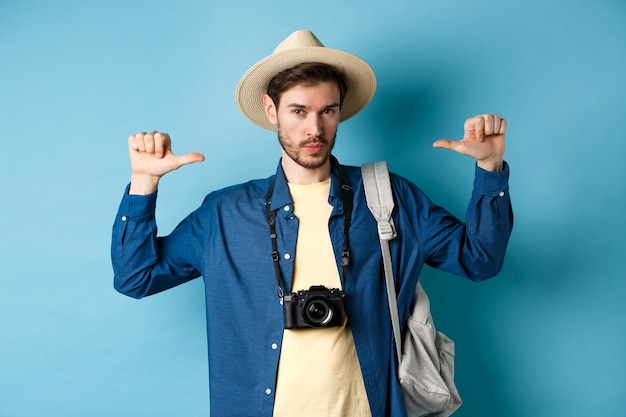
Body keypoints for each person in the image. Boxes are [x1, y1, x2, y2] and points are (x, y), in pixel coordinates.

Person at [111, 30, 513, 417]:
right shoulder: (224, 214)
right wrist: (144, 183)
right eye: (298, 111)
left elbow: (478, 260)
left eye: (327, 111)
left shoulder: (389, 198)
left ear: (340, 111)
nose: (314, 129)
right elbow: (136, 277)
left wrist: (490, 168)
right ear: (272, 111)